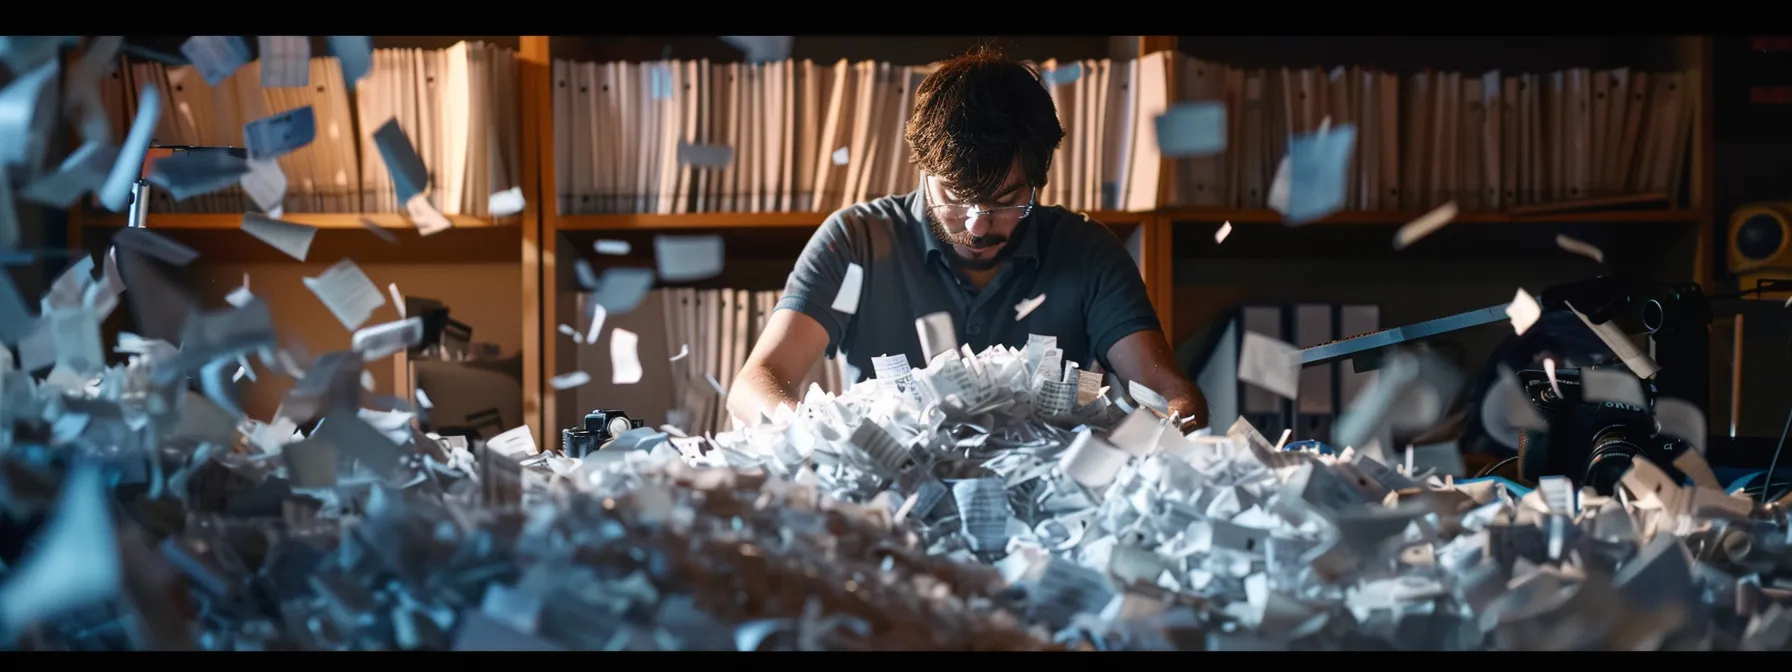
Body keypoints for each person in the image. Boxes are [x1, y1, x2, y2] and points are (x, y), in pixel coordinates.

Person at [727, 46, 1208, 430]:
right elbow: (755, 384)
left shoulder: (1088, 252)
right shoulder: (856, 241)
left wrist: (1141, 444)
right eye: (956, 197)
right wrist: (816, 435)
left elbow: (1171, 393)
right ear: (924, 169)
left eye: (1006, 200)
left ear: (1038, 180)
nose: (978, 226)